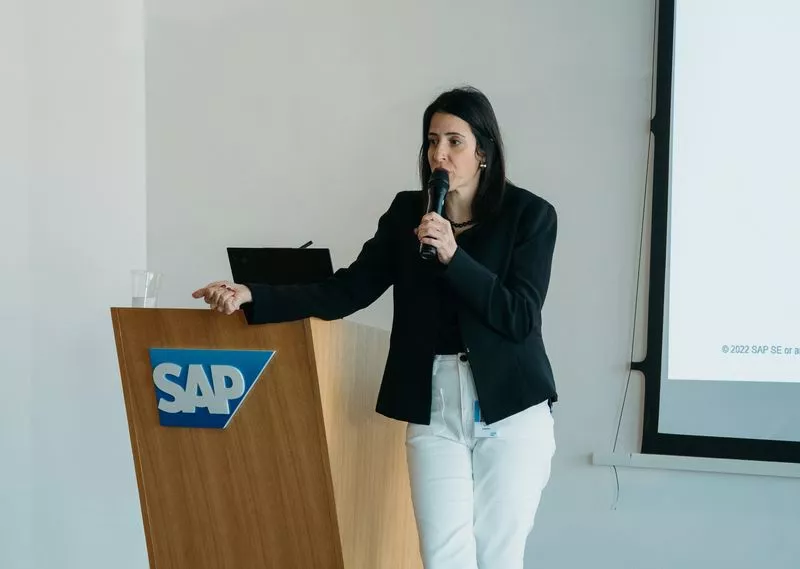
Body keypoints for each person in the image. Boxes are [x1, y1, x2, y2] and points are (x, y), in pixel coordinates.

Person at [192, 86, 558, 569]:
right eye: (432, 141)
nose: (440, 155)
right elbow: (346, 290)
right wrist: (254, 293)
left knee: (498, 557)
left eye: (455, 142)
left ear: (483, 152)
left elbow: (520, 316)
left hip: (510, 410)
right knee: (443, 559)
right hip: (435, 405)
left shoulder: (530, 216)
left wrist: (454, 256)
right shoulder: (409, 213)